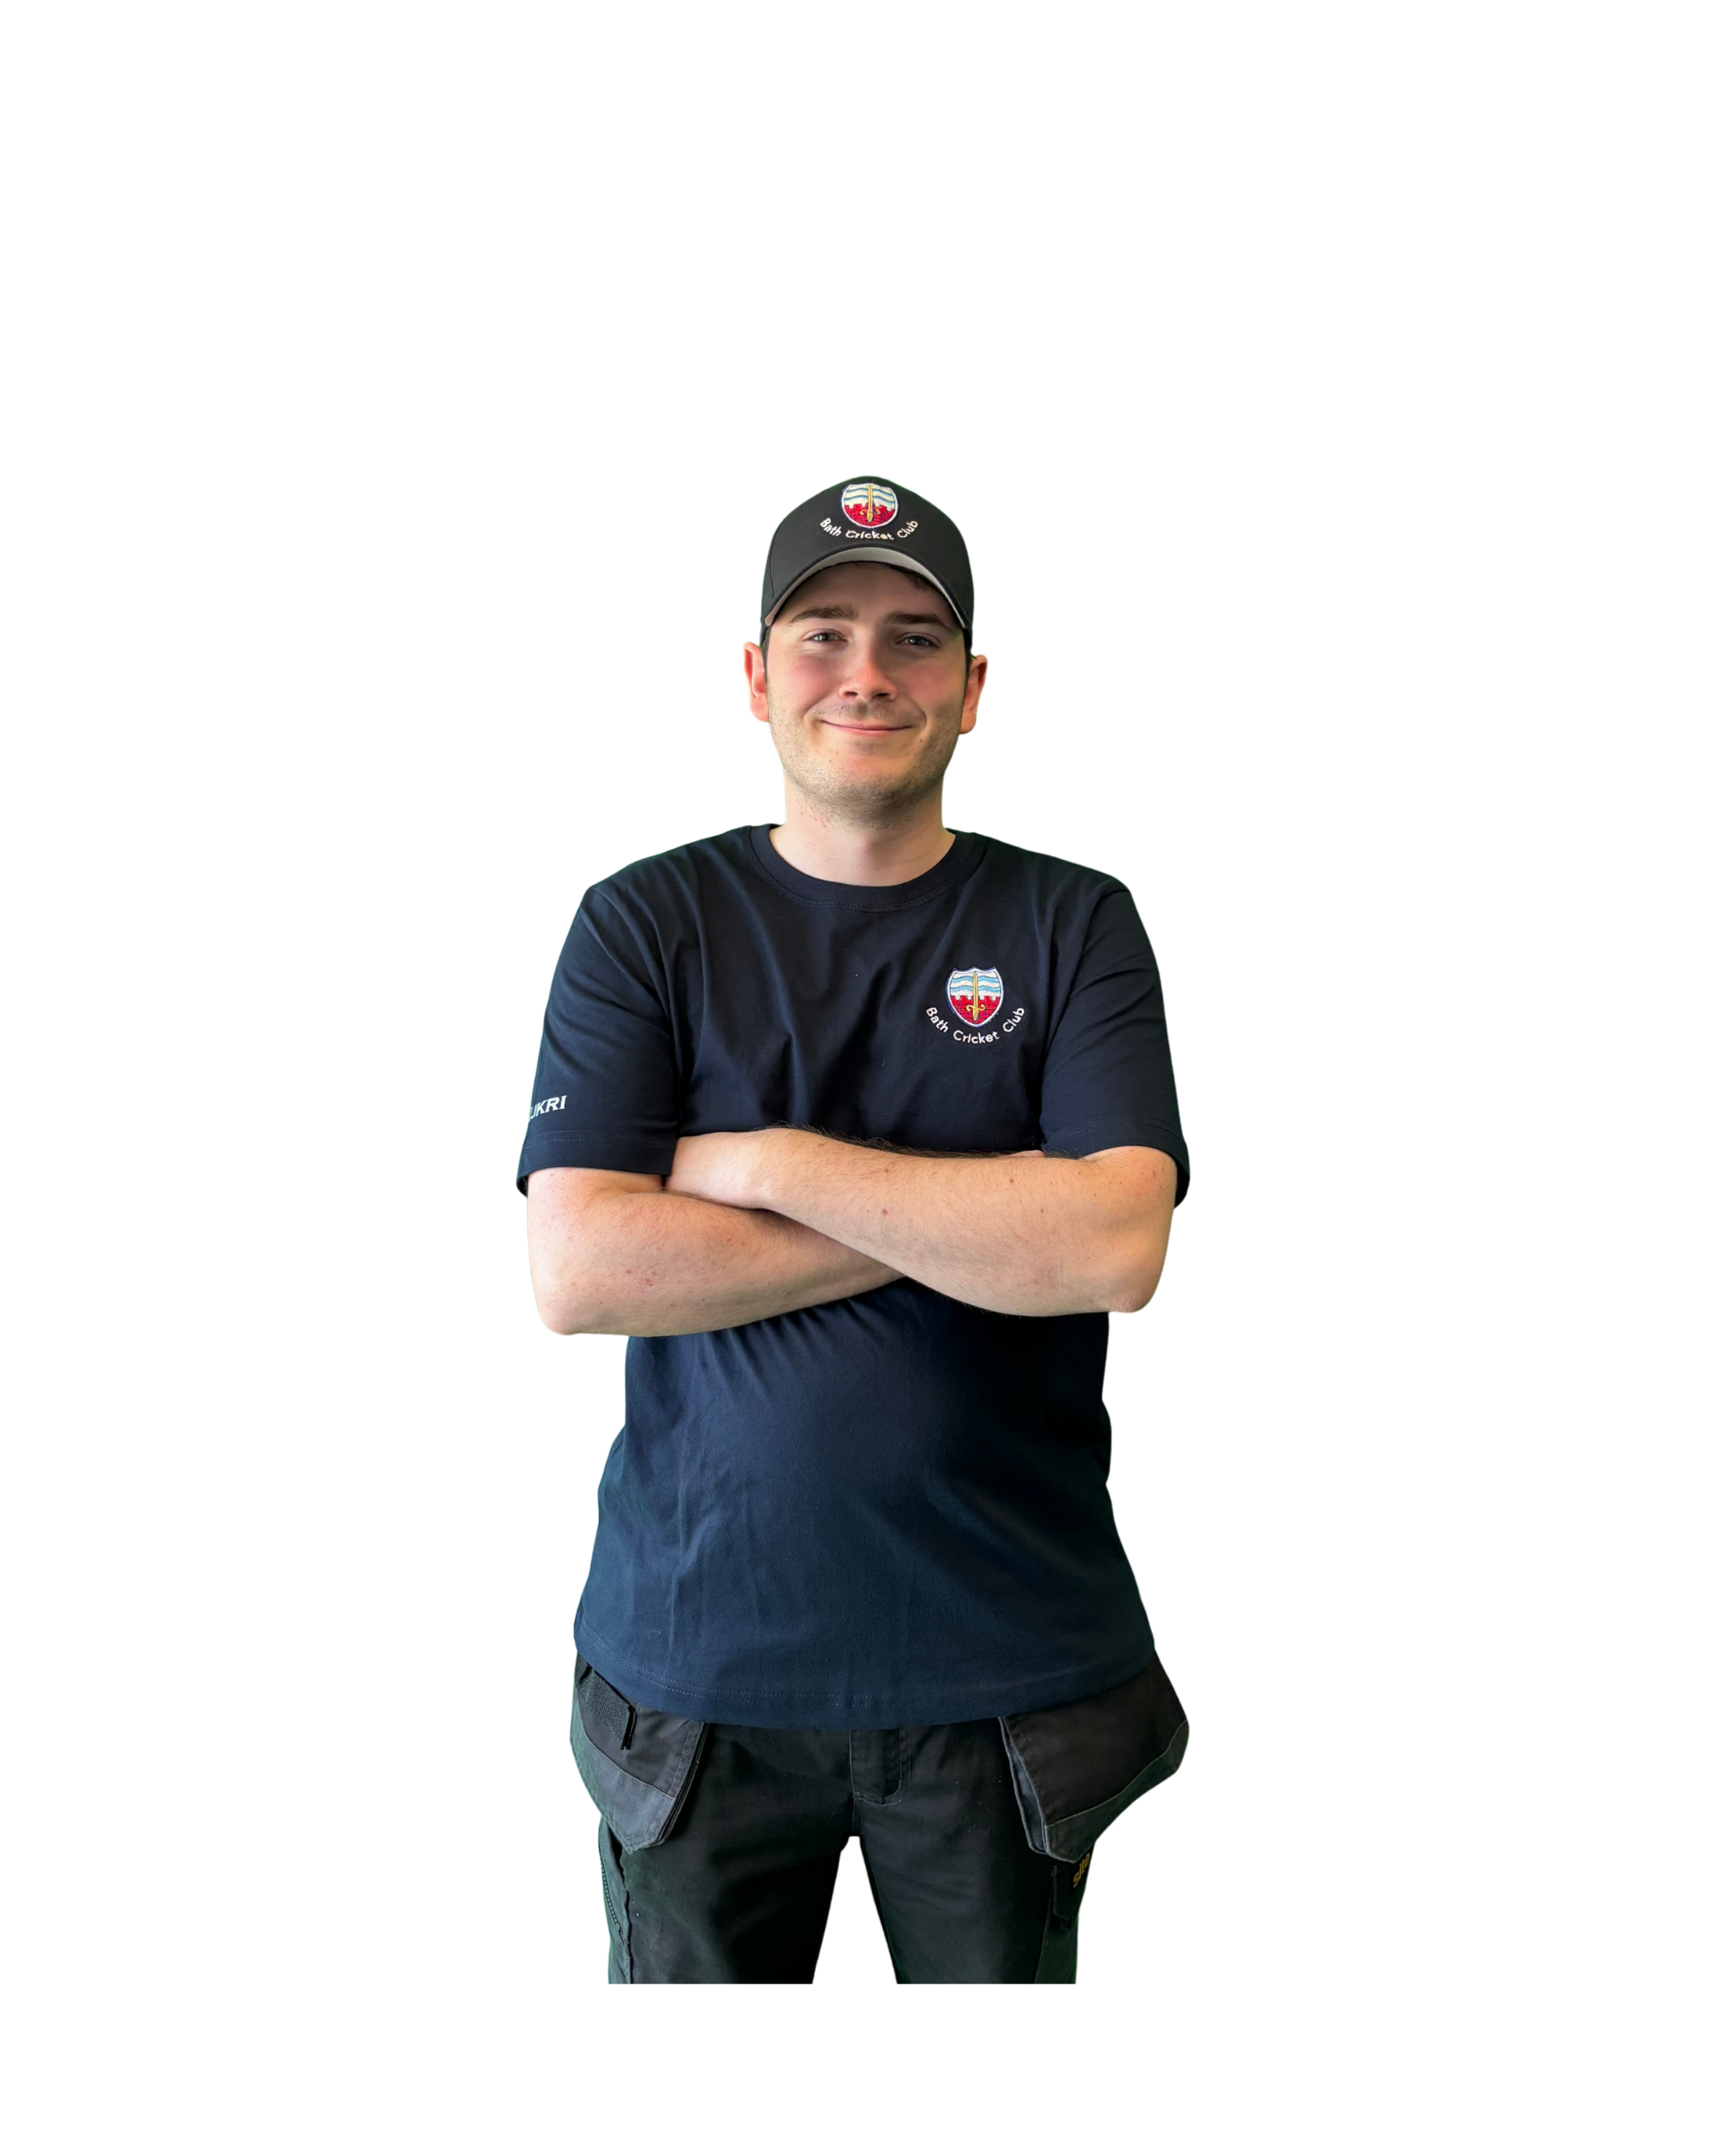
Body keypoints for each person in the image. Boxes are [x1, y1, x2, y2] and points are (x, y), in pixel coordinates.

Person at [521, 474, 1194, 1992]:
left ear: (972, 689)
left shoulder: (1073, 923)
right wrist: (981, 1208)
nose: (867, 673)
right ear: (756, 680)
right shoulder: (643, 924)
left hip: (1007, 1680)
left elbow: (1107, 1252)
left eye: (913, 637)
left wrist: (753, 1162)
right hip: (698, 1686)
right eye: (822, 634)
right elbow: (580, 1273)